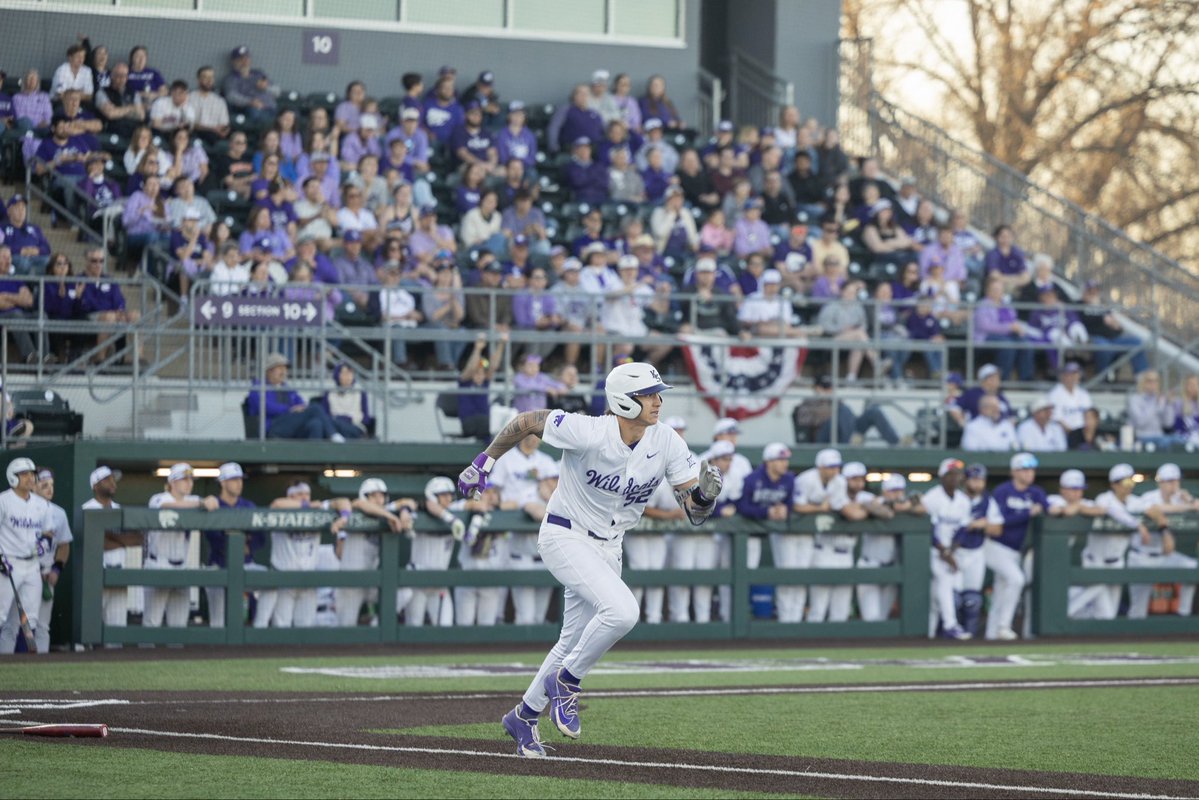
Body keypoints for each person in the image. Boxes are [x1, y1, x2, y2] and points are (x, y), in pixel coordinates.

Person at [459, 361, 720, 757]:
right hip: (565, 532)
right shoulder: (589, 429)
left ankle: (524, 717)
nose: (658, 401)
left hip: (610, 544)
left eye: (657, 393)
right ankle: (567, 683)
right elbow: (527, 420)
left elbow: (694, 514)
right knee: (623, 612)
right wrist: (485, 462)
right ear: (624, 401)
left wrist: (705, 495)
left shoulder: (665, 440)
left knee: (571, 641)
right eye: (648, 394)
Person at [1068, 464, 1162, 619]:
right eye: (1125, 483)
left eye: (1131, 482)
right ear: (1114, 484)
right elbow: (1114, 511)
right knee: (1102, 610)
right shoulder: (1104, 498)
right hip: (1095, 561)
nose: (1129, 486)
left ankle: (1076, 619)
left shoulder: (1134, 501)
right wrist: (1137, 524)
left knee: (1108, 615)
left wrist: (1159, 518)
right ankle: (1064, 613)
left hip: (1116, 563)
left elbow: (1153, 507)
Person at [258, 481, 349, 628]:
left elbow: (342, 501)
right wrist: (307, 506)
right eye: (300, 494)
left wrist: (343, 518)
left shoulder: (317, 510)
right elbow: (276, 504)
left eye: (307, 494)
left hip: (308, 582)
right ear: (290, 496)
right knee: (281, 627)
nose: (305, 497)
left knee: (306, 628)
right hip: (284, 581)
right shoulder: (281, 510)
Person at [490, 434, 559, 626]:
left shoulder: (545, 461)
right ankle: (498, 617)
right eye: (531, 434)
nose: (534, 438)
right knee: (524, 616)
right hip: (513, 535)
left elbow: (555, 492)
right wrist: (503, 503)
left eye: (538, 435)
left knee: (539, 617)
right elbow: (494, 493)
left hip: (543, 542)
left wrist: (543, 488)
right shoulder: (507, 459)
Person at [0, 467, 70, 653]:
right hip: (14, 567)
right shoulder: (11, 504)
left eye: (51, 485)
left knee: (39, 624)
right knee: (9, 622)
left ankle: (37, 665)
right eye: (44, 485)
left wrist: (56, 569)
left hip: (44, 572)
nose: (49, 489)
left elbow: (64, 545)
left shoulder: (57, 512)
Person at [143, 463, 219, 628]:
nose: (189, 483)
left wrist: (210, 500)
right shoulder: (159, 498)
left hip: (181, 565)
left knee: (178, 625)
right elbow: (167, 506)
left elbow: (212, 502)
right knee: (151, 622)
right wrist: (201, 503)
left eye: (191, 479)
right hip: (158, 564)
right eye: (184, 479)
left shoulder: (193, 500)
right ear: (172, 482)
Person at [980, 453, 1045, 640]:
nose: (1029, 473)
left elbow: (1048, 507)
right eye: (1024, 469)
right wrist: (1027, 513)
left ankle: (991, 635)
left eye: (1031, 469)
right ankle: (1003, 626)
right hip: (994, 547)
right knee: (1017, 579)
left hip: (1015, 551)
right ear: (1014, 471)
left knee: (1001, 590)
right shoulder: (1003, 490)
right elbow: (1001, 521)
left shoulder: (1035, 492)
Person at [334, 478, 413, 627]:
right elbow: (359, 503)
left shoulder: (386, 510)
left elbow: (408, 501)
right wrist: (390, 516)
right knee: (346, 629)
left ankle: (376, 623)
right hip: (351, 583)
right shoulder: (356, 509)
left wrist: (404, 511)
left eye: (381, 495)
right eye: (374, 495)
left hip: (372, 582)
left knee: (405, 592)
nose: (379, 499)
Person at [807, 461, 875, 623]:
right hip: (824, 551)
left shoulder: (865, 497)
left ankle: (836, 647)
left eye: (860, 479)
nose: (858, 483)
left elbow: (884, 512)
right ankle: (809, 645)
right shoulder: (833, 492)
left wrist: (865, 506)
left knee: (841, 609)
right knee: (818, 608)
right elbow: (852, 514)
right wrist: (865, 509)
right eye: (853, 479)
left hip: (846, 554)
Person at [1128, 463, 1198, 618]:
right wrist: (1188, 507)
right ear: (1160, 482)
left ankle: (1183, 613)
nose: (1174, 485)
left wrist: (1190, 499)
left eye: (1176, 481)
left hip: (1164, 556)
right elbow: (1158, 508)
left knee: (1192, 567)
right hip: (1141, 557)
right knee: (1137, 610)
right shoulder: (1149, 497)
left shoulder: (1180, 499)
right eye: (1169, 481)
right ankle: (1132, 637)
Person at [198, 462, 259, 629]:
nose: (239, 483)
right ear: (223, 482)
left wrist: (250, 544)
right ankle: (217, 653)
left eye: (240, 479)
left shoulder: (248, 506)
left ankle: (260, 634)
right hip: (219, 563)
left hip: (246, 564)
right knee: (218, 620)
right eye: (234, 479)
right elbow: (213, 537)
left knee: (271, 587)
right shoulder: (214, 504)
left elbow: (260, 536)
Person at [0, 458, 49, 652]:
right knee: (1, 614)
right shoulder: (3, 500)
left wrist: (44, 544)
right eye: (25, 474)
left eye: (32, 474)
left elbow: (47, 533)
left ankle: (23, 663)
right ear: (13, 477)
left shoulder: (41, 504)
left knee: (30, 617)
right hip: (8, 563)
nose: (30, 478)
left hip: (32, 565)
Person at [921, 458, 973, 640]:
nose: (955, 478)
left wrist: (951, 551)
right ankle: (950, 625)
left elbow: (963, 529)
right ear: (942, 476)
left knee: (938, 595)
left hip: (952, 551)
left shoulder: (963, 500)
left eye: (957, 474)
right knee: (944, 581)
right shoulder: (931, 498)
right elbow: (929, 530)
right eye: (950, 474)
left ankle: (930, 632)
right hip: (932, 550)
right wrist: (944, 552)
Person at [245, 353, 347, 441]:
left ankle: (315, 460)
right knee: (315, 408)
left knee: (316, 424)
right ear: (269, 371)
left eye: (285, 368)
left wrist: (299, 409)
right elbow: (265, 407)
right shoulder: (258, 387)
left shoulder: (286, 387)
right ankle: (332, 434)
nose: (284, 372)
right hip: (271, 427)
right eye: (280, 368)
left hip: (289, 424)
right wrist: (289, 409)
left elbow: (300, 402)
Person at [856, 473, 916, 622]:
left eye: (900, 490)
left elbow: (921, 506)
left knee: (883, 616)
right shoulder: (872, 500)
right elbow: (881, 510)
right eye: (893, 490)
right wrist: (892, 505)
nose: (897, 494)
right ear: (884, 491)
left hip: (892, 567)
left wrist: (906, 505)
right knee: (871, 618)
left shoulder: (906, 505)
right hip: (870, 564)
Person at [792, 373, 901, 446]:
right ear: (816, 388)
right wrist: (827, 413)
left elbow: (849, 419)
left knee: (874, 411)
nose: (829, 390)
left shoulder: (837, 401)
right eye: (825, 388)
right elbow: (803, 421)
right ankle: (850, 441)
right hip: (823, 437)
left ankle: (896, 443)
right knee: (841, 411)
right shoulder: (808, 402)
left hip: (845, 432)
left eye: (830, 387)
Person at [1078, 280, 1149, 378]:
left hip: (1113, 338)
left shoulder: (1103, 308)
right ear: (1084, 292)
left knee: (1137, 342)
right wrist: (1102, 319)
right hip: (1094, 337)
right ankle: (1102, 379)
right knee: (1105, 348)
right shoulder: (1077, 305)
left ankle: (1142, 380)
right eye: (1090, 291)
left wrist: (1116, 326)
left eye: (1095, 291)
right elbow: (1082, 322)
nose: (1093, 294)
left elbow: (1117, 328)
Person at [974, 277, 1036, 381]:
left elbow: (1013, 319)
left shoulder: (1006, 304)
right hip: (986, 337)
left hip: (1008, 335)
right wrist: (1009, 327)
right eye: (994, 289)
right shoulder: (983, 305)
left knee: (1025, 343)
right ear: (988, 291)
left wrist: (1017, 328)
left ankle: (1026, 379)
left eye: (999, 289)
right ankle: (1002, 380)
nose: (997, 292)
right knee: (1007, 346)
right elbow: (985, 326)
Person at [456, 333, 506, 442]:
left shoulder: (485, 382)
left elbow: (493, 366)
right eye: (476, 373)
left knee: (503, 419)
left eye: (482, 372)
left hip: (485, 423)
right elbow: (471, 367)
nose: (479, 375)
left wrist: (501, 344)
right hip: (469, 422)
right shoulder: (464, 381)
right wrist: (478, 349)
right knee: (490, 423)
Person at [320, 363, 374, 440]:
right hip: (334, 425)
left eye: (350, 373)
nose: (348, 376)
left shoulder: (360, 393)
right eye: (344, 373)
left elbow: (365, 418)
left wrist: (347, 419)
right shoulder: (329, 394)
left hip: (355, 426)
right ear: (337, 375)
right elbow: (325, 415)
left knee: (335, 426)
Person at [1127, 370, 1179, 449]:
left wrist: (1168, 404)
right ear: (1143, 383)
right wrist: (1156, 405)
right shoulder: (1135, 399)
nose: (1153, 384)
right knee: (1166, 442)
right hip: (1142, 436)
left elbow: (1168, 424)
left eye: (1156, 381)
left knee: (1179, 440)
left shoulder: (1160, 399)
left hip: (1159, 436)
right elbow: (1140, 423)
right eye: (1149, 381)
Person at [2, 195, 51, 274]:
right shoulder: (2, 228)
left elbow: (47, 248)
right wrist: (21, 250)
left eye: (23, 208)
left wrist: (37, 251)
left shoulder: (35, 228)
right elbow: (2, 247)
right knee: (23, 263)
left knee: (47, 260)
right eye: (17, 208)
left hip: (35, 257)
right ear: (8, 211)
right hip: (14, 258)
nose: (21, 211)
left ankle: (36, 285)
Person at [1048, 361, 1092, 434]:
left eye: (1076, 373)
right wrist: (1073, 435)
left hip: (1083, 435)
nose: (1074, 376)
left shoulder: (1084, 394)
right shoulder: (1054, 394)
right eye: (1071, 374)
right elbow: (1056, 419)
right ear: (1063, 376)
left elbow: (1090, 416)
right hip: (1062, 434)